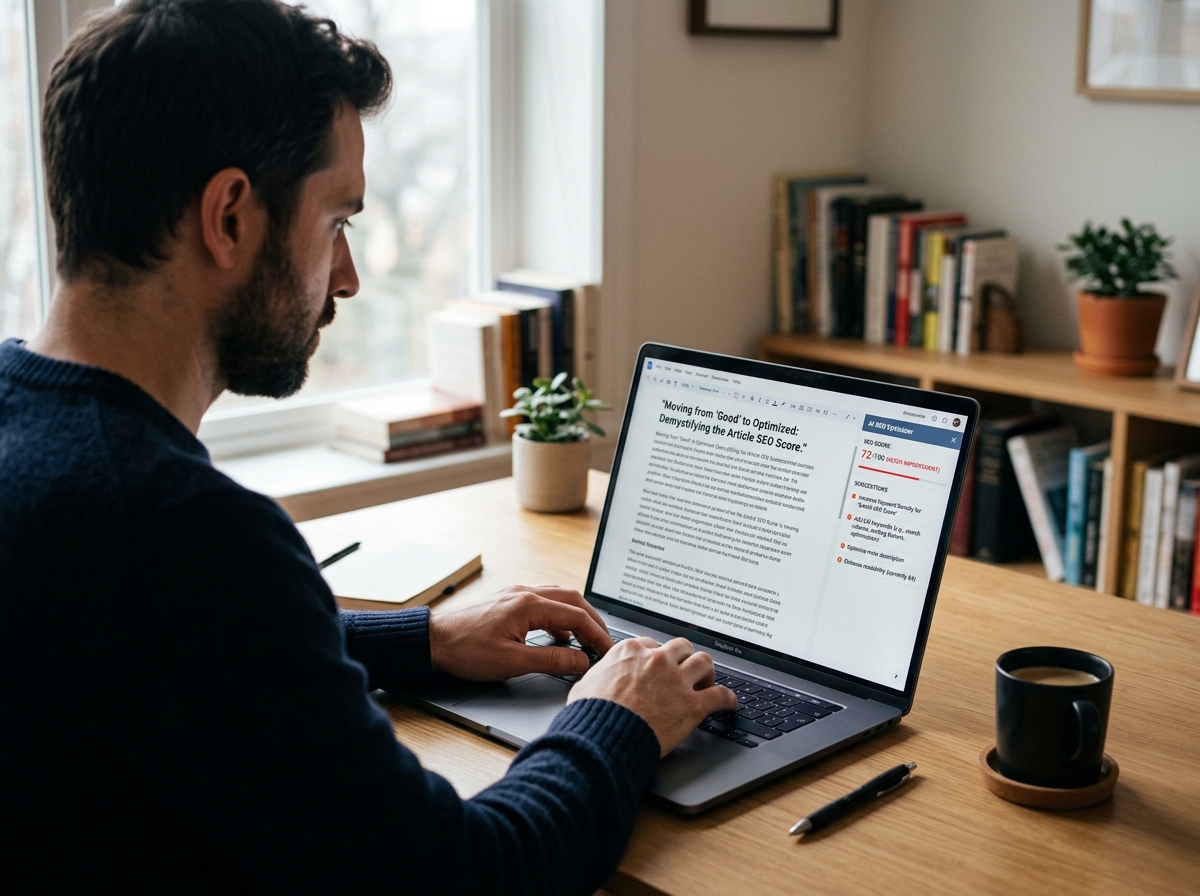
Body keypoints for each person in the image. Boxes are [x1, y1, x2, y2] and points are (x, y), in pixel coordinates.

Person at [0, 0, 737, 892]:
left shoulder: (40, 445)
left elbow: (170, 650)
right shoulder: (178, 530)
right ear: (229, 216)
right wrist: (616, 715)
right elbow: (471, 876)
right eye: (337, 221)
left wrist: (419, 640)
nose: (345, 277)